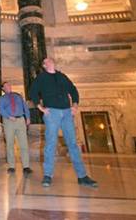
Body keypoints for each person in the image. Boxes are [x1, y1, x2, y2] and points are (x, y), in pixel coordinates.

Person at [30, 57, 98, 188]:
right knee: (50, 143)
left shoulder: (62, 76)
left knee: (72, 144)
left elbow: (73, 90)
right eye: (46, 60)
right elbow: (33, 92)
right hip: (52, 113)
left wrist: (75, 105)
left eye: (51, 59)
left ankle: (82, 176)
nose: (50, 61)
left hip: (67, 112)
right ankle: (48, 175)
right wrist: (41, 108)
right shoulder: (41, 78)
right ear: (44, 65)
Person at [0, 81, 32, 175]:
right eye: (6, 86)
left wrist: (28, 117)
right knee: (9, 144)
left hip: (20, 120)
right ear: (3, 89)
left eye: (9, 85)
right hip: (8, 121)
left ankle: (26, 166)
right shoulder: (2, 98)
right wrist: (9, 116)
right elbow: (1, 110)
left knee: (24, 144)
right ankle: (11, 166)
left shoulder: (18, 96)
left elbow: (25, 107)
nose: (8, 86)